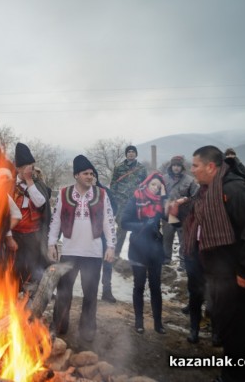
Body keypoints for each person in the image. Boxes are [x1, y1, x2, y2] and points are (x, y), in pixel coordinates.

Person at [172, 146, 245, 382]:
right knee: (227, 327)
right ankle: (238, 371)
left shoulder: (234, 191)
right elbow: (198, 218)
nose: (192, 170)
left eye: (195, 165)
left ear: (210, 167)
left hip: (237, 276)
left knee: (234, 329)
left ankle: (234, 376)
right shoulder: (207, 192)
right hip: (217, 272)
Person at [48, 155, 116, 343]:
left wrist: (110, 245)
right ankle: (60, 325)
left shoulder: (102, 194)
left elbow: (108, 222)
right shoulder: (64, 193)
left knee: (90, 293)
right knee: (64, 290)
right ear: (76, 175)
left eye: (92, 174)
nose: (90, 177)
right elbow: (56, 220)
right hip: (70, 250)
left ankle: (87, 330)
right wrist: (51, 243)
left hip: (93, 252)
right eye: (86, 173)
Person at [121, 172, 168, 335]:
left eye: (159, 186)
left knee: (156, 287)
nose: (155, 188)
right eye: (153, 184)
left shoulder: (161, 202)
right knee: (139, 285)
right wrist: (142, 225)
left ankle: (158, 323)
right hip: (138, 248)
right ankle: (139, 322)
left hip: (155, 249)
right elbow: (124, 222)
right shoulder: (136, 198)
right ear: (147, 184)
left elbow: (173, 219)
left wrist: (165, 198)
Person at [107, 145, 147, 302]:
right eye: (129, 152)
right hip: (122, 202)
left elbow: (145, 184)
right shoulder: (119, 167)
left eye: (133, 152)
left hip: (137, 202)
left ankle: (137, 254)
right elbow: (113, 184)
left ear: (136, 154)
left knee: (137, 230)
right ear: (126, 154)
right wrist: (115, 198)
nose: (131, 154)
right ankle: (116, 253)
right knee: (122, 229)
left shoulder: (141, 168)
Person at [11, 143, 51, 290]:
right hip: (14, 233)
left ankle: (33, 297)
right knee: (15, 266)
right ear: (18, 168)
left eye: (31, 166)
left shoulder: (37, 184)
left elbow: (41, 203)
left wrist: (29, 181)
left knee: (34, 266)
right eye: (26, 166)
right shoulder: (10, 185)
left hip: (33, 234)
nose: (29, 169)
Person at [162, 156, 199, 266]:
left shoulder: (190, 180)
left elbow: (196, 196)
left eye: (178, 166)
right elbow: (158, 195)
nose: (176, 168)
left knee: (184, 240)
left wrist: (185, 199)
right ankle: (166, 260)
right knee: (167, 238)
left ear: (182, 167)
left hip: (184, 215)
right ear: (171, 166)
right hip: (168, 214)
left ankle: (183, 262)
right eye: (174, 165)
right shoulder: (164, 179)